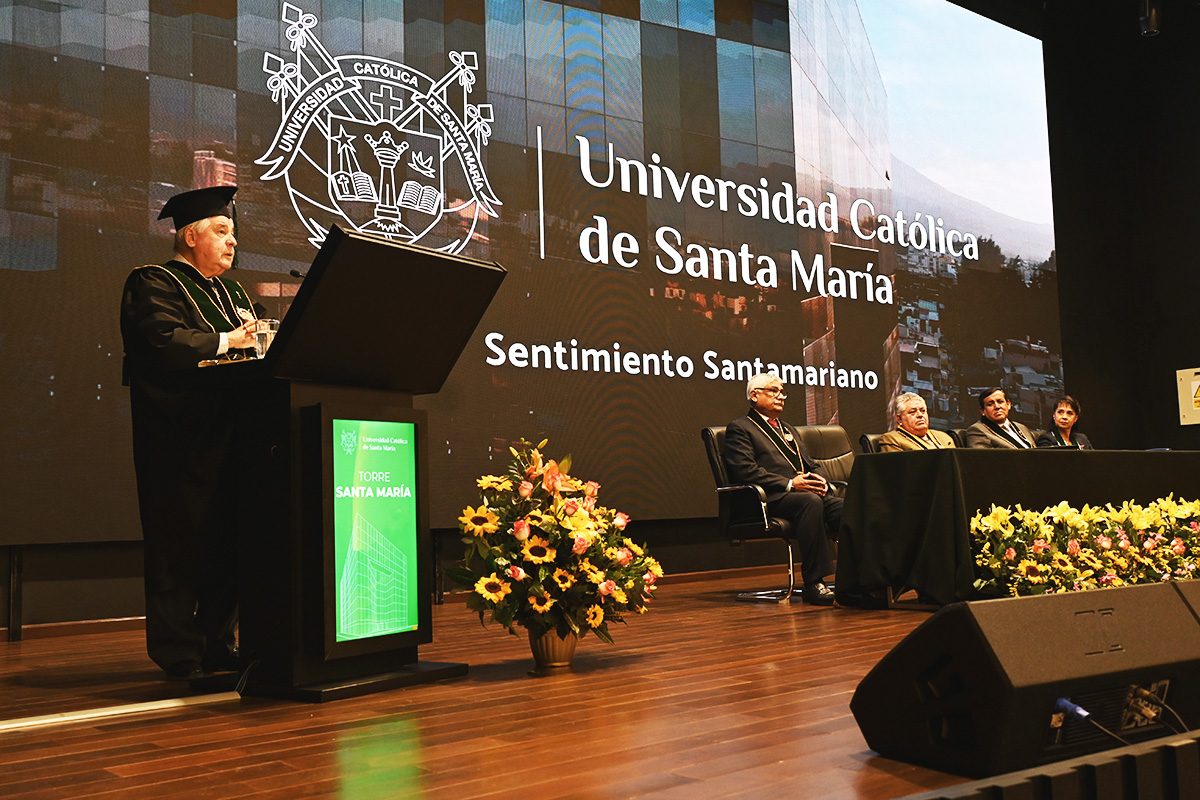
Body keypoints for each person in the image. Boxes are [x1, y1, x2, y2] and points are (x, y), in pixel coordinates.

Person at [120, 185, 262, 680]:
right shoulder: (152, 282)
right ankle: (179, 652)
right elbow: (161, 343)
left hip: (235, 436)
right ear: (189, 235)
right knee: (179, 547)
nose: (232, 243)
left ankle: (218, 642)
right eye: (222, 232)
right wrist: (230, 340)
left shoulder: (233, 292)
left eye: (234, 235)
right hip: (179, 442)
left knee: (231, 544)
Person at [721, 373, 841, 605]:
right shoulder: (740, 428)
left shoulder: (788, 429)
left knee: (847, 507)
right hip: (767, 499)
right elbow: (745, 471)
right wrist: (789, 484)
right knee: (810, 502)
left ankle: (863, 577)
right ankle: (814, 582)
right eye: (773, 391)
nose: (781, 396)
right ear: (754, 395)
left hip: (801, 495)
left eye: (782, 391)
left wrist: (822, 481)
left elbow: (812, 465)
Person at [877, 392, 957, 452]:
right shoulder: (891, 439)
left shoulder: (943, 436)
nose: (920, 415)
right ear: (899, 419)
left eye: (923, 411)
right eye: (912, 412)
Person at [963, 388, 1036, 449]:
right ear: (983, 411)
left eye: (1000, 402)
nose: (997, 407)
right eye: (990, 404)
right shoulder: (977, 430)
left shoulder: (1022, 428)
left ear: (1008, 405)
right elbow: (983, 461)